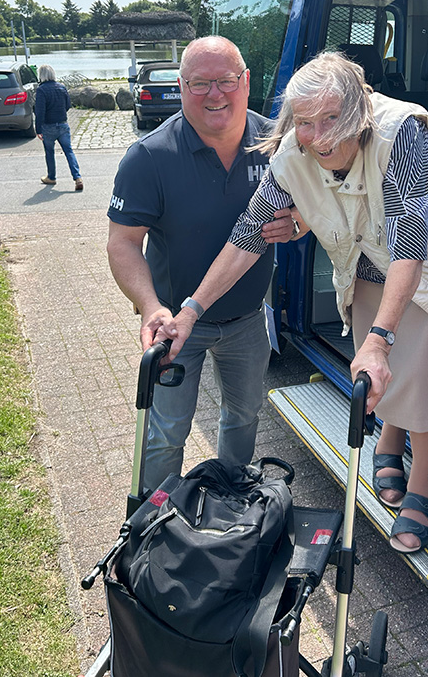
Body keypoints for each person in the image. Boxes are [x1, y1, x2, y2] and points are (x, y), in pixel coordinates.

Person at [156, 50, 428, 554]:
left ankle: (423, 481)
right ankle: (388, 441)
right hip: (366, 255)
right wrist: (190, 310)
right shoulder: (291, 153)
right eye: (306, 122)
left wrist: (381, 338)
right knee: (376, 366)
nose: (320, 135)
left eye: (333, 117)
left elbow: (410, 241)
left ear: (361, 108)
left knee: (417, 369)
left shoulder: (402, 133)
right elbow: (248, 235)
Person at [106, 36, 298, 493]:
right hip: (175, 324)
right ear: (181, 85)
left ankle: (232, 502)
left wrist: (300, 223)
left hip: (249, 320)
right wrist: (150, 305)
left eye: (227, 81)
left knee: (244, 416)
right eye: (200, 83)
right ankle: (153, 526)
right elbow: (122, 244)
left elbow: (316, 205)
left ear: (246, 81)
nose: (216, 94)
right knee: (167, 432)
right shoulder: (149, 156)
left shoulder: (278, 144)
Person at [35, 64, 83, 190]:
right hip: (63, 124)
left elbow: (40, 111)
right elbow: (68, 105)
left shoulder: (41, 90)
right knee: (69, 151)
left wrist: (38, 129)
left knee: (50, 152)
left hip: (48, 126)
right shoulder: (62, 87)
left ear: (41, 75)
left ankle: (51, 177)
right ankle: (77, 177)